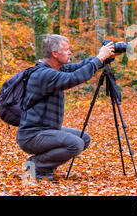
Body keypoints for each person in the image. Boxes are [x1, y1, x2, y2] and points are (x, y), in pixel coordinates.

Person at [17, 34, 116, 181]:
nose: (70, 53)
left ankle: (45, 168)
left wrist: (104, 57)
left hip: (46, 131)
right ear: (55, 53)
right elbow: (75, 77)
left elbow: (79, 66)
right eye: (67, 50)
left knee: (83, 138)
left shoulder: (55, 69)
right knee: (75, 144)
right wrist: (99, 58)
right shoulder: (44, 74)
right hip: (32, 136)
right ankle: (35, 166)